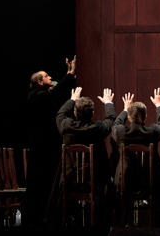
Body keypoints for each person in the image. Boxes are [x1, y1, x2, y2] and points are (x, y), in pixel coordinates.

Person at [46, 86, 116, 226]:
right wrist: (108, 103)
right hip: (95, 181)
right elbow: (110, 119)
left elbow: (61, 114)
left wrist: (72, 99)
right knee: (111, 183)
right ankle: (103, 223)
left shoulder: (66, 127)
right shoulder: (97, 129)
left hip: (69, 180)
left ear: (74, 113)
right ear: (92, 113)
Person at [26, 56, 77, 226]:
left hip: (47, 143)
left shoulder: (44, 96)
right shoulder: (35, 96)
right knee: (41, 178)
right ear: (39, 82)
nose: (50, 77)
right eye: (47, 76)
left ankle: (51, 214)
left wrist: (69, 77)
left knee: (49, 178)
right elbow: (54, 92)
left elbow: (57, 95)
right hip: (41, 144)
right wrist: (70, 74)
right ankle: (39, 215)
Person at [111, 89, 160, 223]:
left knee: (114, 185)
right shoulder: (152, 132)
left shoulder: (120, 133)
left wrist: (125, 109)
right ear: (145, 117)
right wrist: (159, 105)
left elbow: (115, 124)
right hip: (151, 182)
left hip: (125, 182)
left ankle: (122, 221)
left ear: (129, 118)